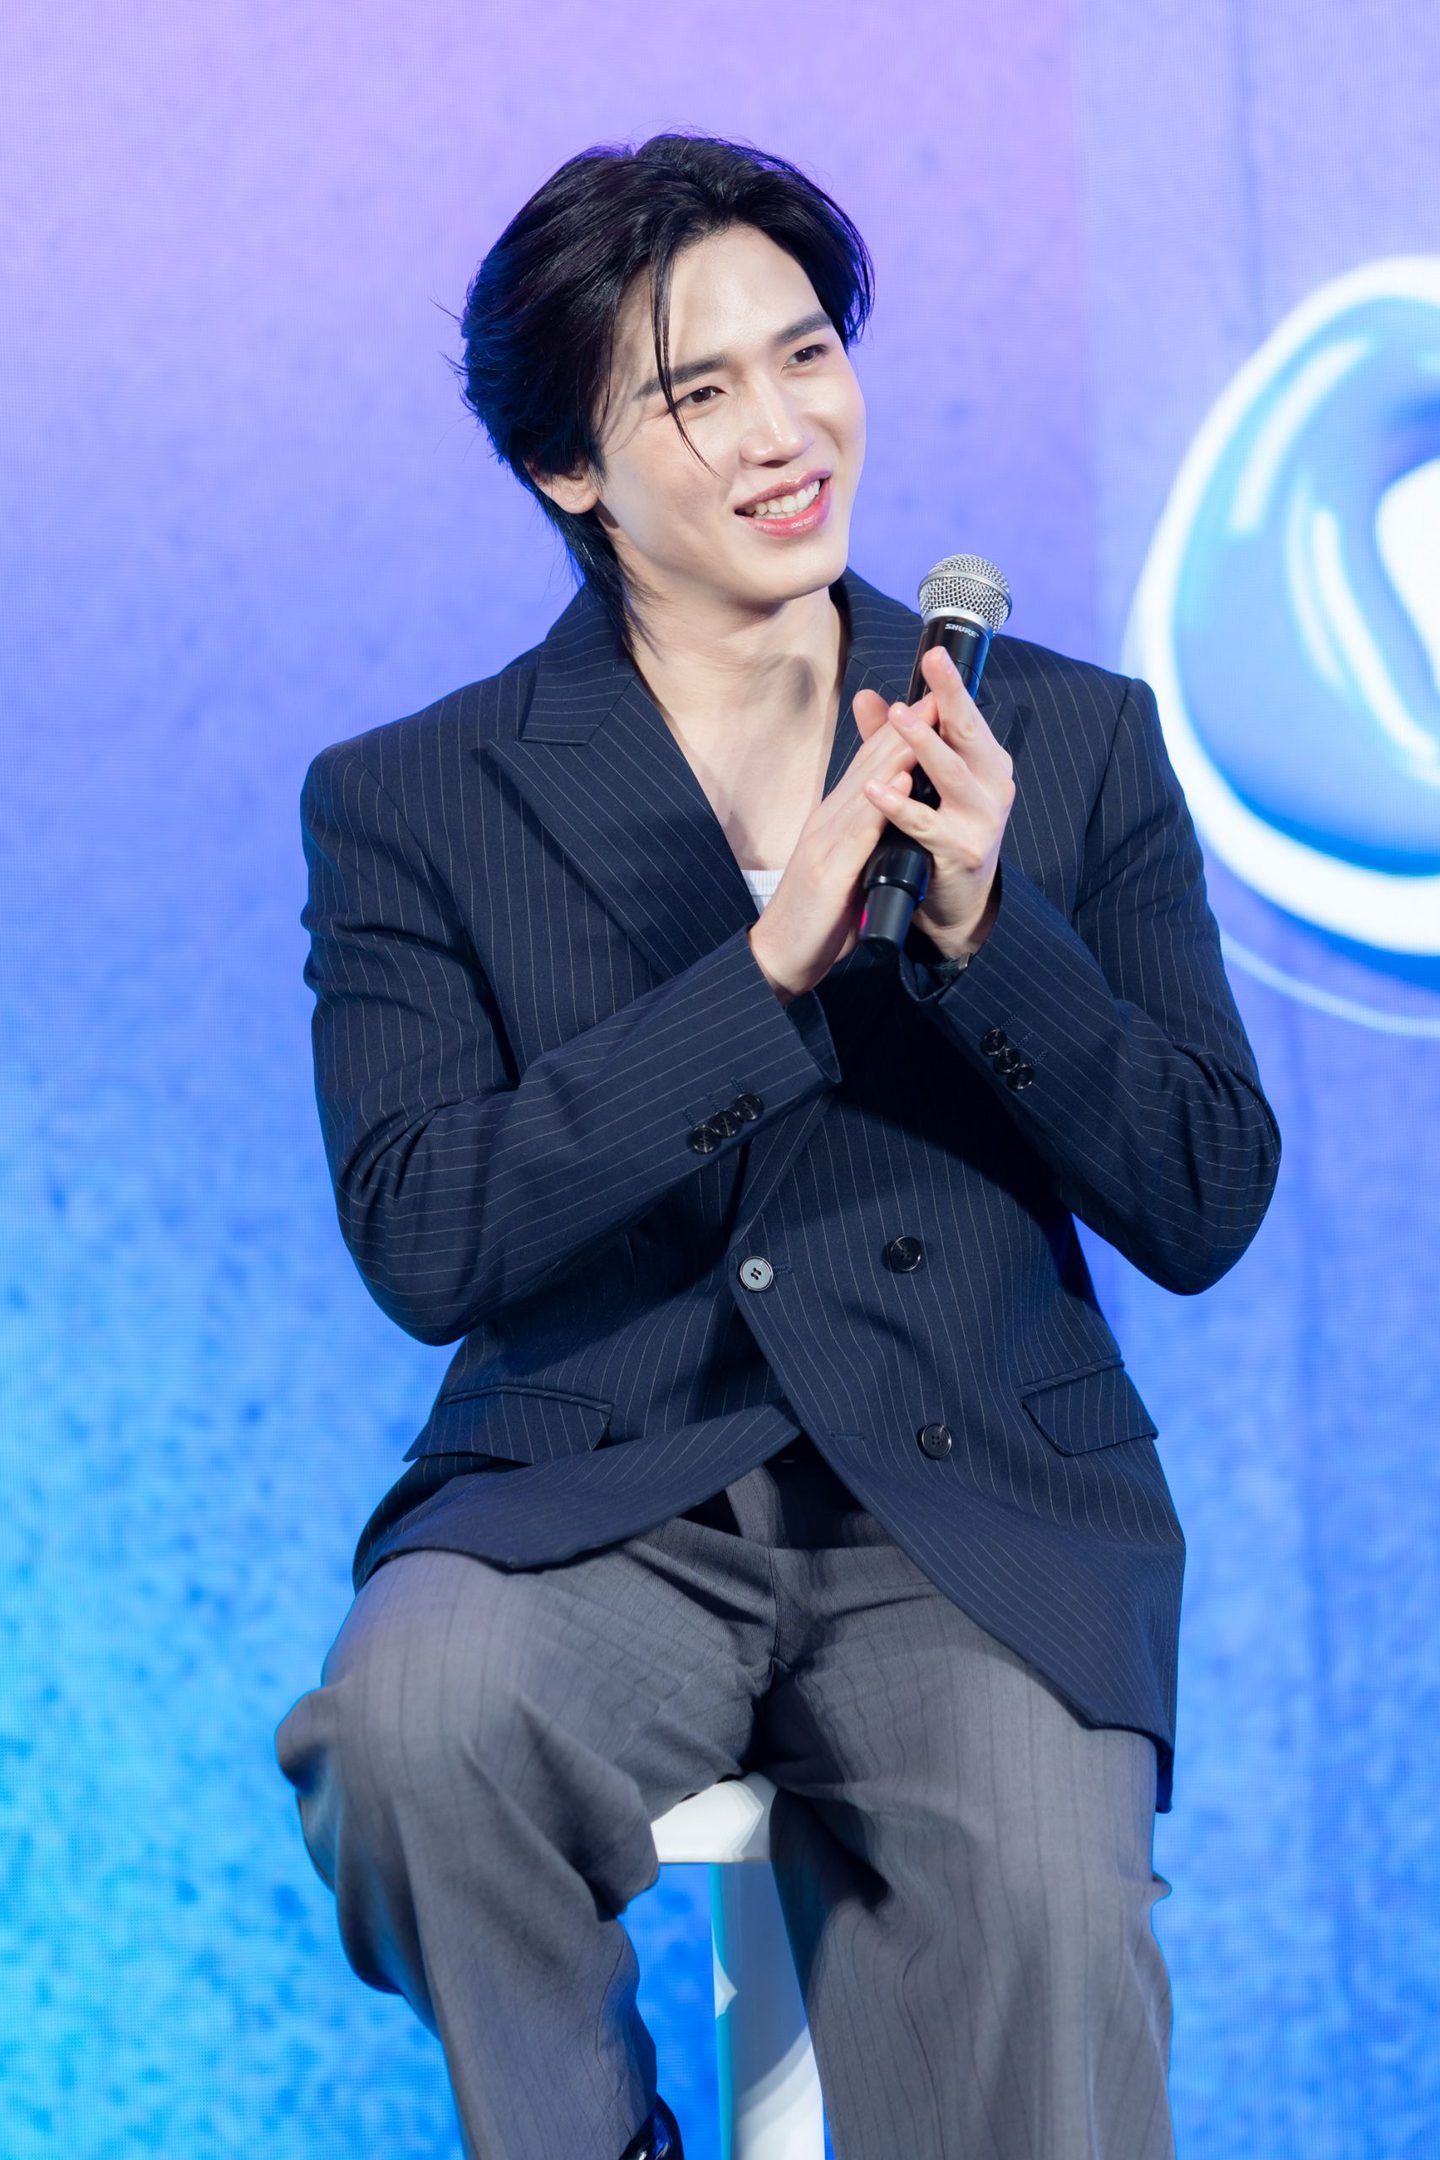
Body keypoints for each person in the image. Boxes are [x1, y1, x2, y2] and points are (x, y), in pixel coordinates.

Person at [274, 130, 1280, 2160]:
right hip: (601, 1486)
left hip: (973, 1494)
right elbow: (425, 1234)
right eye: (697, 391)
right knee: (406, 1727)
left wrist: (988, 936)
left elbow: (1202, 1194)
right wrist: (758, 978)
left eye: (807, 353)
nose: (782, 431)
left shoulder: (1066, 738)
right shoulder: (414, 797)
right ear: (567, 465)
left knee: (1044, 1943)